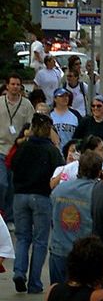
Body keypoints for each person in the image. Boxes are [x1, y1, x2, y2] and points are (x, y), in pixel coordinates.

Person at [11, 113, 64, 293]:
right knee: (40, 241)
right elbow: (59, 171)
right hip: (41, 196)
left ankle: (19, 271)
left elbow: (13, 165)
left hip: (20, 195)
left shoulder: (24, 147)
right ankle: (34, 282)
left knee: (22, 237)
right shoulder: (51, 150)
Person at [48, 151, 102, 286]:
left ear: (79, 168)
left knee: (58, 294)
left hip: (59, 249)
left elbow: (53, 215)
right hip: (85, 254)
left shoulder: (60, 189)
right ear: (99, 171)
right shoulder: (99, 193)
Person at [1, 74, 36, 220]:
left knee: (13, 185)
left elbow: (32, 126)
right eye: (13, 84)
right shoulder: (0, 102)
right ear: (7, 86)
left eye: (18, 85)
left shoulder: (27, 104)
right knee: (2, 183)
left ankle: (9, 217)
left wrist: (24, 138)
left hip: (18, 151)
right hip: (1, 149)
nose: (15, 87)